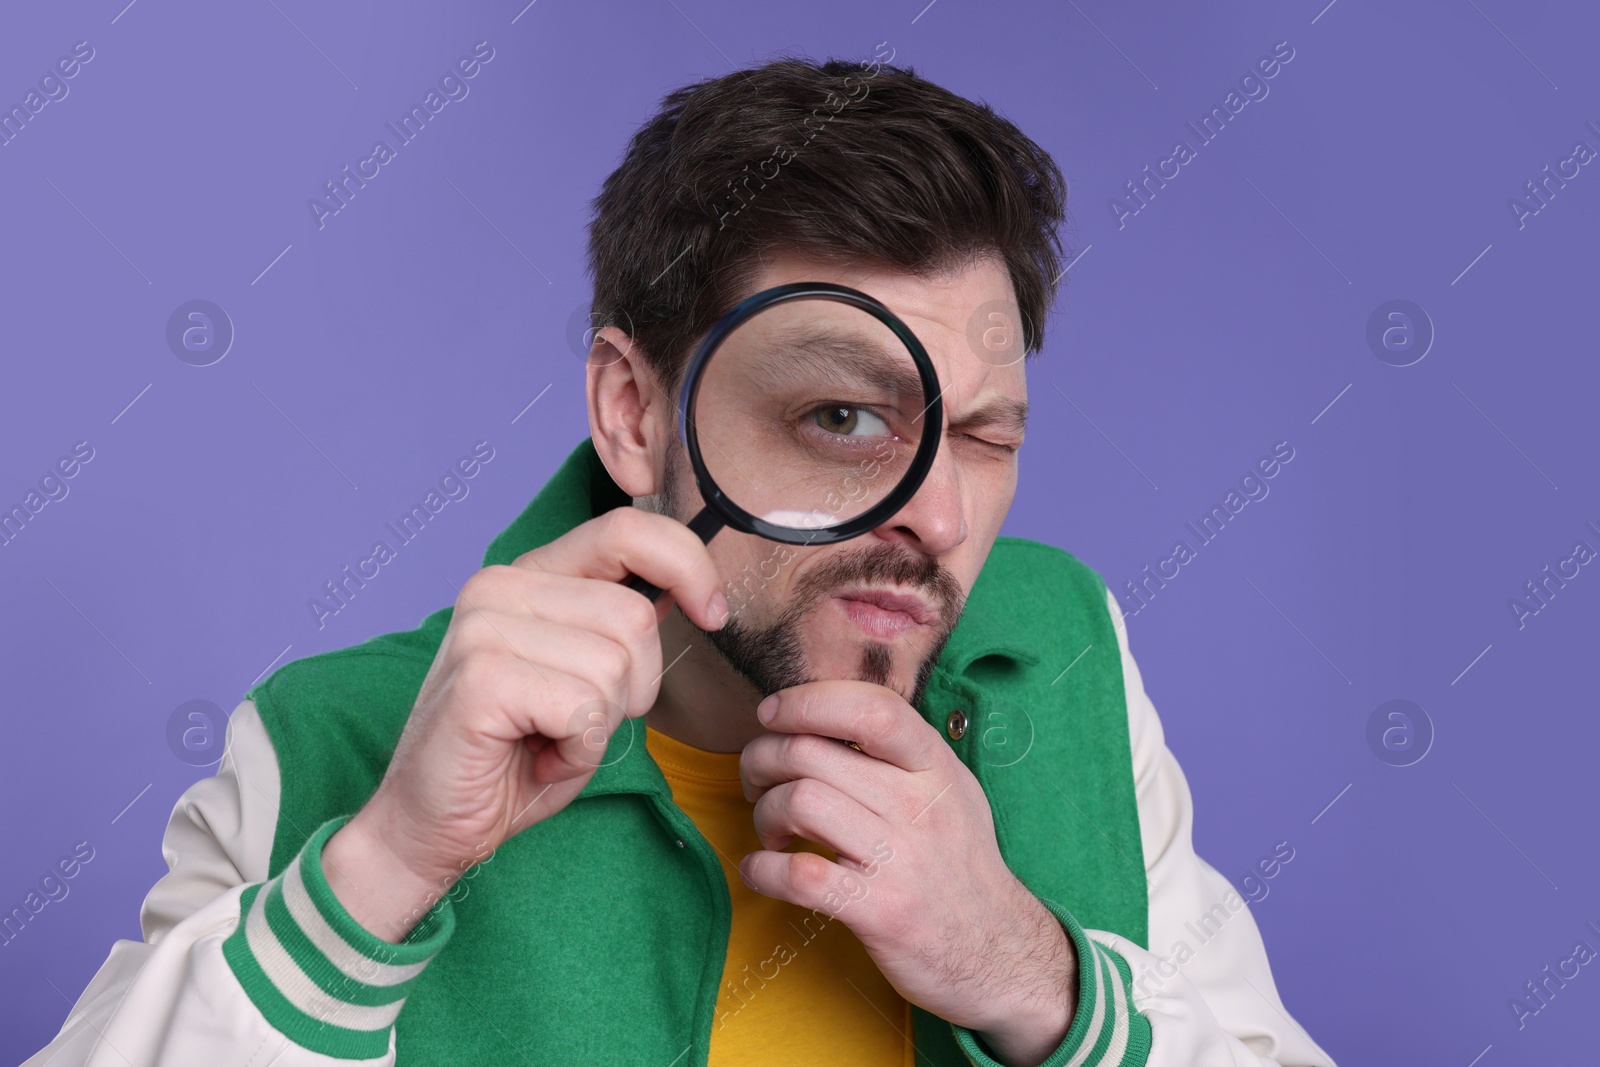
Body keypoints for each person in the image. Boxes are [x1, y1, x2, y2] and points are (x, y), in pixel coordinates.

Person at [27, 54, 1337, 1067]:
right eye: (841, 418)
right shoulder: (331, 746)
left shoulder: (1059, 653)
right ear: (637, 412)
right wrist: (380, 871)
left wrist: (1034, 979)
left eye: (984, 437)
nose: (936, 520)